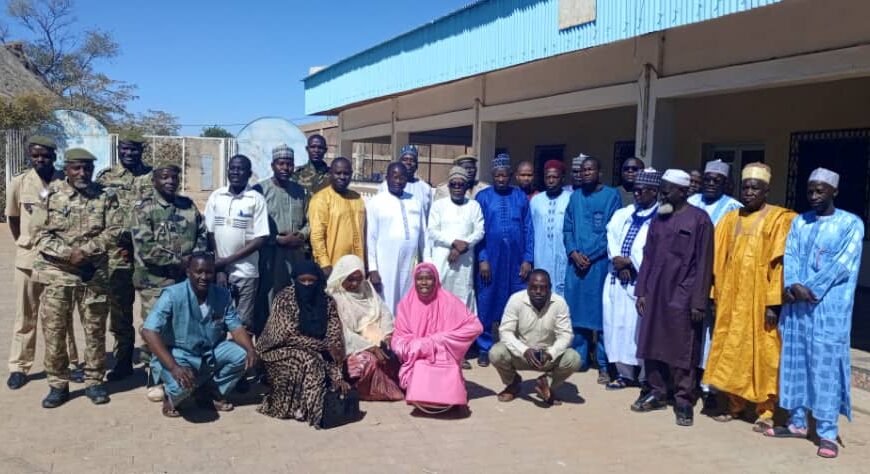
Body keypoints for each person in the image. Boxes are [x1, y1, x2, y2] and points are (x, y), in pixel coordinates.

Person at [766, 168, 864, 459]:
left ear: (835, 191)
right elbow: (791, 255)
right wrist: (794, 284)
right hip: (797, 305)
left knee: (824, 368)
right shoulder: (800, 222)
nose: (814, 196)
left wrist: (811, 288)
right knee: (795, 361)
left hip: (828, 308)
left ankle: (827, 432)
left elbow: (843, 264)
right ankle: (796, 423)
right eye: (810, 191)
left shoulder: (851, 224)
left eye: (820, 191)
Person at [703, 163, 796, 431]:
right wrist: (713, 293)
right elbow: (717, 259)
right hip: (731, 298)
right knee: (732, 350)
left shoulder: (779, 219)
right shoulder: (730, 219)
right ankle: (735, 405)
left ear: (767, 190)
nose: (749, 192)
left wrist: (773, 303)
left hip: (760, 301)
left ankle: (765, 411)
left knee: (763, 353)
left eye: (755, 187)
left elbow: (780, 265)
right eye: (745, 187)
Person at [31, 148, 123, 408]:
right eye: (76, 168)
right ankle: (58, 384)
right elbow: (38, 234)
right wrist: (68, 253)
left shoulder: (105, 196)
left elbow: (115, 230)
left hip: (93, 274)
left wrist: (86, 251)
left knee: (94, 330)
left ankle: (94, 381)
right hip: (58, 274)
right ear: (67, 169)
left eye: (87, 168)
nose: (82, 173)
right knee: (54, 331)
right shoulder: (51, 195)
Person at [632, 169, 713, 427]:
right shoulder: (659, 218)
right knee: (651, 343)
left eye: (667, 189)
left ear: (683, 191)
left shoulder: (700, 220)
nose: (662, 194)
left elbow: (704, 263)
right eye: (662, 188)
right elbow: (648, 255)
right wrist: (641, 290)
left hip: (684, 293)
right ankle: (657, 391)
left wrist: (699, 300)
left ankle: (683, 400)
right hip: (655, 291)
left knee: (683, 349)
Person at [141, 252, 257, 418]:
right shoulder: (172, 295)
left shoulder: (222, 295)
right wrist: (174, 367)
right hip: (179, 354)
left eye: (209, 272)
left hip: (210, 351)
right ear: (188, 272)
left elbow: (236, 327)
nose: (204, 277)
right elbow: (149, 331)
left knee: (243, 355)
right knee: (181, 385)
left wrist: (250, 349)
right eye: (199, 272)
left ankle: (210, 393)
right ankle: (171, 398)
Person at [130, 158, 208, 401]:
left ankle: (184, 375)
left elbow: (202, 235)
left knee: (183, 329)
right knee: (155, 329)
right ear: (154, 181)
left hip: (185, 282)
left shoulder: (188, 206)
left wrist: (194, 262)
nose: (170, 181)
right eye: (164, 177)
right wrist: (180, 262)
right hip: (154, 282)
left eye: (174, 177)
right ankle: (154, 378)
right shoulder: (143, 208)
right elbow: (145, 247)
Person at [5, 136, 78, 390]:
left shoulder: (66, 182)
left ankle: (67, 363)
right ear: (30, 156)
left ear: (54, 157)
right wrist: (26, 242)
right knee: (25, 316)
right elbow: (13, 218)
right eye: (35, 155)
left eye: (45, 156)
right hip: (28, 259)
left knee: (61, 316)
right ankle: (19, 366)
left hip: (58, 261)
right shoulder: (20, 183)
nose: (40, 160)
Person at [256, 261, 350, 426]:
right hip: (277, 349)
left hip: (316, 349)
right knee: (309, 360)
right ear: (295, 280)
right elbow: (287, 335)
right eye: (302, 281)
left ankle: (310, 408)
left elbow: (334, 339)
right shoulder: (285, 298)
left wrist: (338, 376)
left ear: (318, 281)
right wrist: (325, 346)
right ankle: (313, 412)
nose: (307, 285)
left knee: (320, 357)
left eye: (311, 281)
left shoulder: (327, 302)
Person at [97, 131, 153, 381]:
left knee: (153, 312)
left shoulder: (153, 176)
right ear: (119, 149)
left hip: (148, 255)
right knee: (120, 311)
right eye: (125, 149)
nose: (129, 154)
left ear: (142, 151)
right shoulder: (106, 177)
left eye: (135, 150)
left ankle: (153, 362)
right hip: (117, 255)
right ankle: (122, 361)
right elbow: (98, 214)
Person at [391, 263, 482, 415]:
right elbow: (398, 339)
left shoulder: (449, 301)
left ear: (436, 280)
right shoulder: (405, 305)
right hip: (417, 356)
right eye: (420, 279)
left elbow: (475, 326)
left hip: (444, 355)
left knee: (447, 379)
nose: (424, 283)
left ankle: (450, 397)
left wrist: (441, 339)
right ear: (415, 281)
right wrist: (420, 346)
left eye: (429, 278)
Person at [687, 159, 743, 403]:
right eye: (707, 179)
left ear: (727, 184)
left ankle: (710, 387)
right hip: (689, 280)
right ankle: (687, 383)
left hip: (718, 283)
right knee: (689, 333)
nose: (710, 184)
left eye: (716, 181)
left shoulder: (735, 209)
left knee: (713, 335)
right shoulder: (691, 202)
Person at [563, 156, 621, 384]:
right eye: (582, 170)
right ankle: (579, 358)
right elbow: (567, 228)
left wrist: (592, 255)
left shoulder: (611, 196)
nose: (586, 173)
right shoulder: (575, 197)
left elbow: (613, 231)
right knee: (576, 313)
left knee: (602, 315)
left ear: (599, 172)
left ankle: (604, 366)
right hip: (576, 265)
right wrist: (573, 252)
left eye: (590, 169)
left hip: (599, 267)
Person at [602, 168, 660, 390]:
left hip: (642, 282)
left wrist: (631, 262)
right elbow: (611, 235)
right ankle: (624, 374)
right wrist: (618, 259)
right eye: (635, 190)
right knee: (616, 325)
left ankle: (646, 375)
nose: (636, 195)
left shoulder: (661, 216)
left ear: (654, 192)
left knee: (640, 328)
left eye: (642, 191)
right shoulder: (623, 213)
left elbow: (656, 249)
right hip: (617, 279)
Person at [474, 153, 533, 367]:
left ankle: (513, 346)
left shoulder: (520, 197)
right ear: (492, 175)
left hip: (516, 260)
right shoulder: (483, 197)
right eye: (497, 176)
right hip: (491, 259)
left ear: (510, 175)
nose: (501, 179)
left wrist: (528, 258)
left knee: (515, 302)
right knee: (487, 300)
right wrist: (483, 259)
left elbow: (528, 229)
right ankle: (484, 347)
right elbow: (478, 231)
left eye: (504, 175)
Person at [490, 270, 580, 405]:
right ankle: (513, 383)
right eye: (534, 287)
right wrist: (524, 350)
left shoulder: (559, 303)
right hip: (521, 354)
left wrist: (551, 353)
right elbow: (505, 332)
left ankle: (547, 384)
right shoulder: (516, 300)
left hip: (547, 357)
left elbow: (566, 335)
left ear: (550, 287)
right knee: (496, 353)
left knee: (574, 359)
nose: (538, 291)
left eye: (543, 288)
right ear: (528, 287)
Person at [205, 154, 269, 330]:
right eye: (232, 168)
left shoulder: (256, 199)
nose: (235, 172)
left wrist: (227, 261)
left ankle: (240, 357)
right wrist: (220, 267)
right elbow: (210, 232)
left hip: (246, 272)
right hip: (219, 271)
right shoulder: (216, 196)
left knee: (243, 323)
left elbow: (260, 238)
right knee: (216, 320)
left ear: (249, 174)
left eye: (240, 169)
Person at [326, 255, 403, 401]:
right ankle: (366, 391)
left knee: (398, 351)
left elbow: (384, 313)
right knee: (366, 362)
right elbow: (342, 333)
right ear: (341, 276)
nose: (355, 284)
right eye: (350, 279)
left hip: (377, 338)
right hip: (352, 346)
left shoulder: (367, 289)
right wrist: (370, 347)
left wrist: (387, 336)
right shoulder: (334, 297)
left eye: (358, 279)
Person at [253, 144, 309, 334]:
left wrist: (301, 235)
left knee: (295, 297)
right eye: (281, 164)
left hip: (296, 255)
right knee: (270, 298)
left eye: (289, 164)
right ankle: (268, 342)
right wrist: (277, 239)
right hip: (271, 255)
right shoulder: (260, 190)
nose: (285, 168)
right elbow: (254, 224)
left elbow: (310, 221)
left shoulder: (301, 192)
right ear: (272, 165)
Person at [366, 162, 426, 312]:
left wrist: (427, 264)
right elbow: (371, 238)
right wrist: (373, 269)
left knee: (408, 302)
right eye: (395, 177)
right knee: (386, 302)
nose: (399, 181)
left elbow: (424, 238)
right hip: (385, 264)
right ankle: (388, 334)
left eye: (402, 177)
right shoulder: (376, 202)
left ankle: (404, 333)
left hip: (410, 263)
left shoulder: (415, 202)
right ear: (387, 178)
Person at [426, 166, 484, 311]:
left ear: (466, 186)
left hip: (465, 261)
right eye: (453, 184)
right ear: (449, 186)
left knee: (463, 296)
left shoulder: (474, 206)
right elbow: (432, 230)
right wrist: (453, 242)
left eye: (461, 184)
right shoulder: (438, 205)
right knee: (440, 295)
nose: (457, 188)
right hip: (443, 260)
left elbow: (480, 231)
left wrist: (463, 246)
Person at [308, 157, 366, 276]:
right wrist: (324, 264)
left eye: (346, 173)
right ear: (330, 174)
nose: (342, 177)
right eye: (338, 173)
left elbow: (364, 232)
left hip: (356, 267)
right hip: (332, 267)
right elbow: (317, 235)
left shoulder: (357, 198)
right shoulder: (321, 199)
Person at [529, 160, 571, 295]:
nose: (551, 181)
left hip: (563, 255)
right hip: (541, 255)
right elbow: (530, 230)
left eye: (555, 177)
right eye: (548, 177)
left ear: (562, 178)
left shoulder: (570, 198)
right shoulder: (536, 200)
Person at [378, 145, 433, 219]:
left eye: (412, 160)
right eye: (405, 159)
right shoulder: (385, 186)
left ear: (417, 165)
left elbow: (429, 217)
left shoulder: (425, 188)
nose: (408, 162)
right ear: (399, 163)